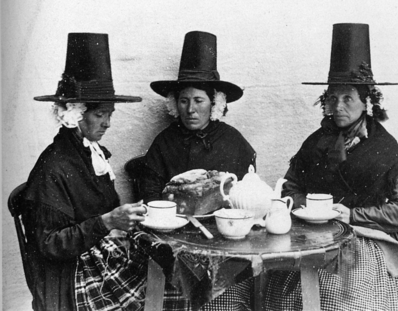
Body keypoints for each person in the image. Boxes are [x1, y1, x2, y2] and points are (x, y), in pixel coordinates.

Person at [278, 23, 398, 310]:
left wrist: (353, 215)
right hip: (318, 235)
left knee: (342, 297)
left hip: (368, 238)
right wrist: (310, 211)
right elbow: (290, 185)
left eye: (348, 98)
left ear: (367, 102)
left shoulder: (384, 146)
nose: (339, 105)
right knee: (294, 295)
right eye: (333, 98)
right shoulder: (316, 141)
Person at [22, 33, 150, 311]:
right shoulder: (54, 167)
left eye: (110, 114)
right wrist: (106, 222)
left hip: (99, 255)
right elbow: (49, 244)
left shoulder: (89, 154)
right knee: (159, 294)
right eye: (100, 114)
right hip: (71, 276)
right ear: (76, 113)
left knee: (168, 279)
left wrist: (117, 219)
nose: (107, 123)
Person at [133, 31, 256, 310]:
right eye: (184, 100)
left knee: (229, 292)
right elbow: (149, 189)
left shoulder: (233, 141)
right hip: (176, 236)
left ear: (214, 103)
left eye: (198, 100)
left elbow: (244, 194)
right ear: (175, 103)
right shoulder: (164, 141)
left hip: (222, 236)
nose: (190, 109)